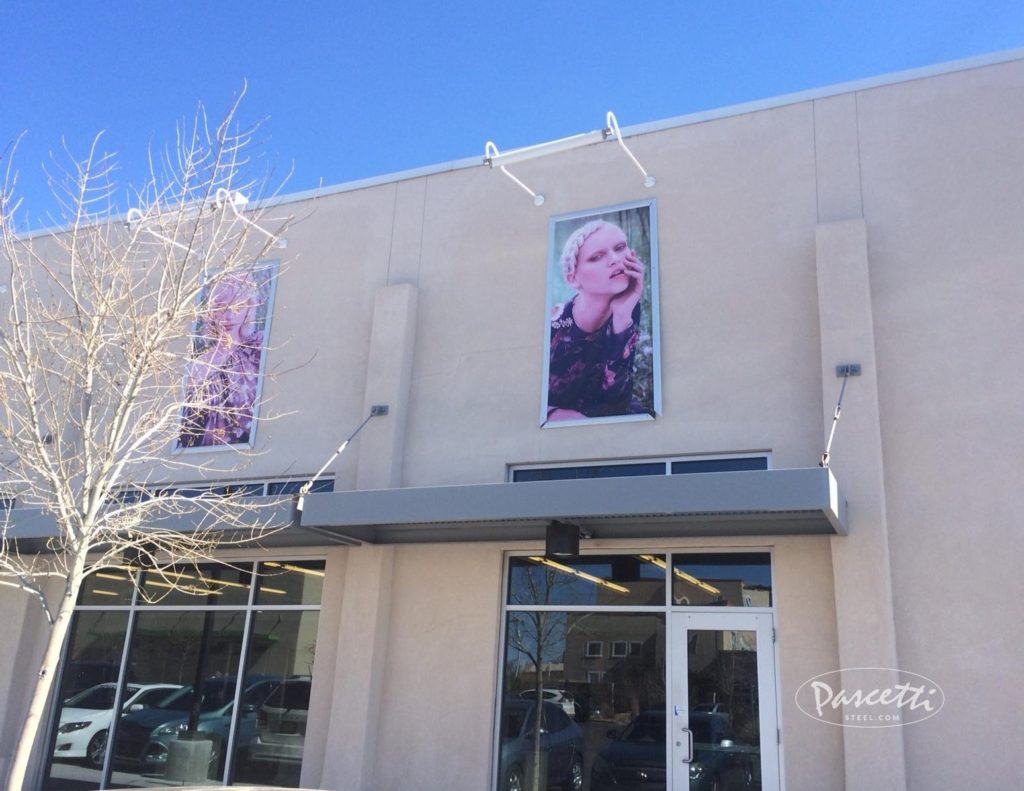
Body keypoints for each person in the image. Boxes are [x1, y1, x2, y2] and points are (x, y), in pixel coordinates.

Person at [547, 219, 646, 422]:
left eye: (620, 248)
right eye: (596, 257)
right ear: (573, 279)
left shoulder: (628, 308)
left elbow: (617, 399)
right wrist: (553, 414)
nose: (614, 259)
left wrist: (621, 317)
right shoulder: (553, 324)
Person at [178, 271, 266, 447]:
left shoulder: (257, 350)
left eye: (237, 308)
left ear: (249, 309)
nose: (228, 317)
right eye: (221, 308)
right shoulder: (196, 366)